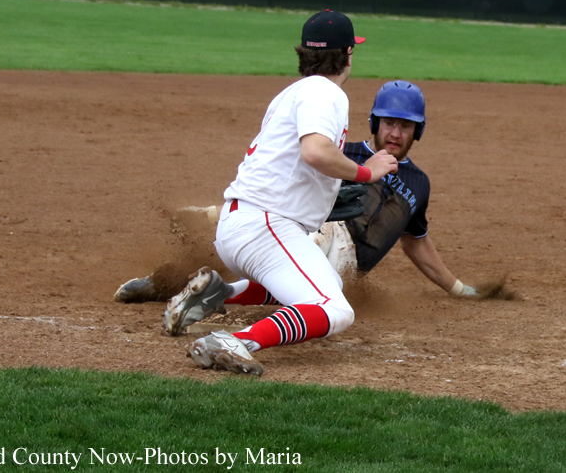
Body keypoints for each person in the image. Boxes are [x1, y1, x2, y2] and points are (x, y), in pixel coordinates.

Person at [116, 77, 480, 375]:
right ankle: (163, 285)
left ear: (419, 131)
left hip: (344, 261)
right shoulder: (344, 153)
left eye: (405, 126)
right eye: (388, 123)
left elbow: (416, 242)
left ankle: (216, 292)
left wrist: (457, 287)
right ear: (374, 123)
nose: (395, 133)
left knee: (299, 284)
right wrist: (214, 212)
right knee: (312, 282)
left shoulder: (419, 183)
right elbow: (283, 186)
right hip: (318, 234)